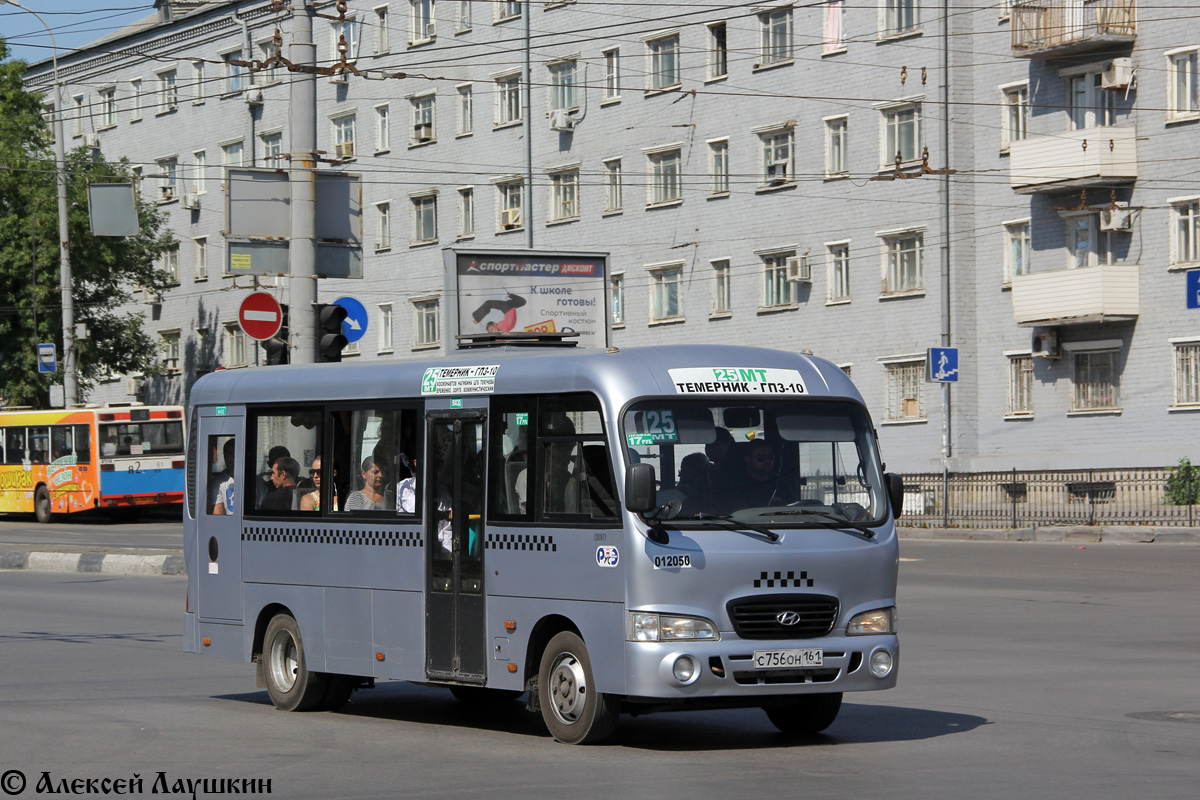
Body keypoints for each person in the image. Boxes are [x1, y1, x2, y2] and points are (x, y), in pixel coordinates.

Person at [211, 439, 237, 515]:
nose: (232, 458)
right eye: (230, 453)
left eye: (235, 454)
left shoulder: (257, 482)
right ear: (224, 456)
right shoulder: (218, 482)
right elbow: (218, 515)